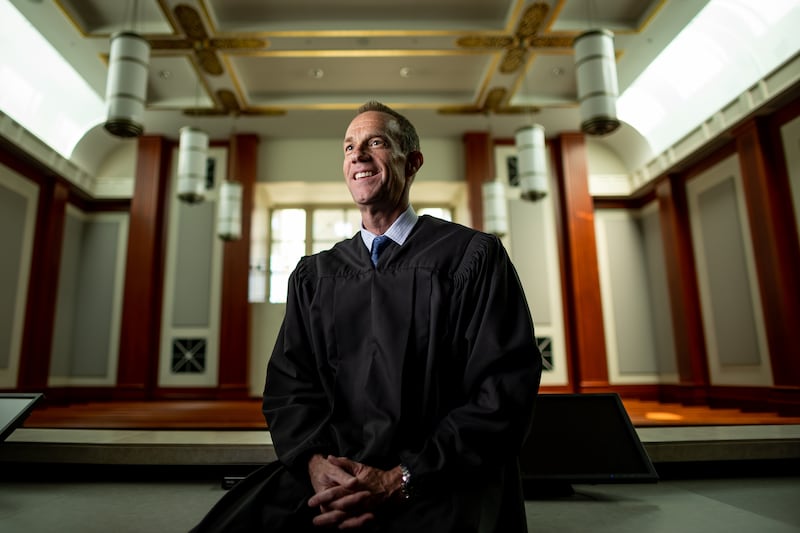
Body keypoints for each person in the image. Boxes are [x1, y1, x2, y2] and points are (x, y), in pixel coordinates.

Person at [190, 101, 542, 532]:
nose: (357, 155)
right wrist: (317, 465)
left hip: (438, 474)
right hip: (334, 474)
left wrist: (403, 478)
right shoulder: (314, 275)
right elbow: (290, 387)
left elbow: (502, 390)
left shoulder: (471, 257)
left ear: (411, 163)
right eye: (349, 147)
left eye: (375, 143)